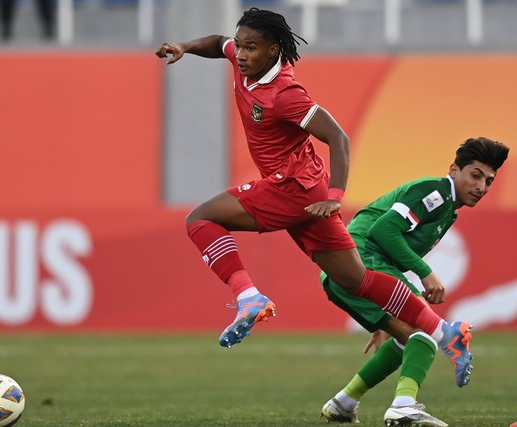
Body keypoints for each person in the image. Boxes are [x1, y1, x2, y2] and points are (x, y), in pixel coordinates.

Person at [155, 6, 470, 379]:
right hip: (308, 191)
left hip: (290, 189)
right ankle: (445, 332)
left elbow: (338, 137)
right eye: (239, 46)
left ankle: (249, 298)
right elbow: (216, 43)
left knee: (200, 219)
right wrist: (185, 46)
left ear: (273, 50)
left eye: (250, 48)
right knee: (358, 280)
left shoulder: (285, 95)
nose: (240, 54)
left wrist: (337, 194)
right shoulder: (245, 61)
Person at [320, 137, 509, 426]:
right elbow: (383, 231)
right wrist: (425, 271)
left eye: (489, 181)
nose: (481, 187)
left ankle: (343, 403)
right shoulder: (435, 192)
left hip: (342, 270)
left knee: (406, 336)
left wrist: (383, 313)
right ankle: (404, 406)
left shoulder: (448, 210)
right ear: (454, 170)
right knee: (427, 330)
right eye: (475, 175)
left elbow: (390, 243)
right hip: (361, 260)